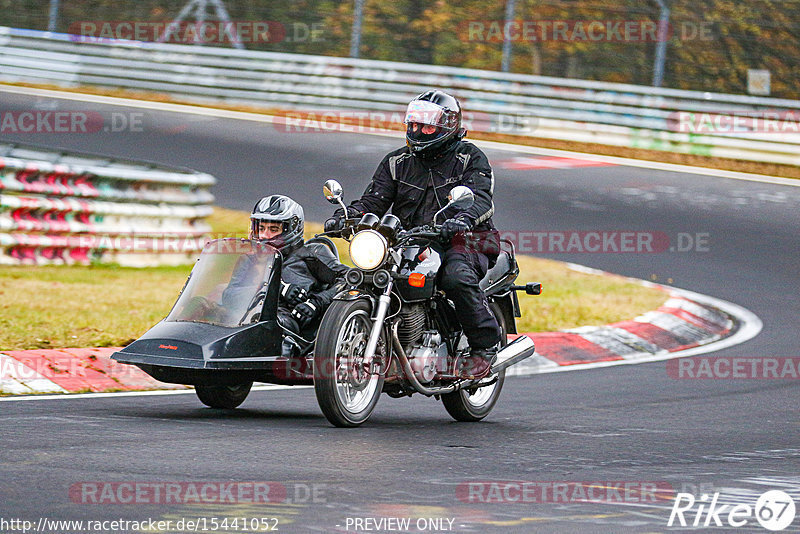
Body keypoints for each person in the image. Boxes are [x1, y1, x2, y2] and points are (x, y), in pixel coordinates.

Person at [324, 90, 501, 379]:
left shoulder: (470, 158)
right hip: (409, 240)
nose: (419, 131)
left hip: (465, 239)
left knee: (456, 277)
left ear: (447, 126)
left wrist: (462, 219)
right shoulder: (397, 161)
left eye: (428, 126)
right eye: (415, 124)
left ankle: (484, 346)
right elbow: (374, 199)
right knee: (362, 277)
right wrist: (346, 217)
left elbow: (481, 199)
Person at [249, 195, 349, 356]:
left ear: (291, 229)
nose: (264, 236)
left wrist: (316, 303)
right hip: (244, 319)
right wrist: (279, 288)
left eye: (273, 229)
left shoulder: (312, 253)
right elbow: (229, 295)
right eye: (261, 228)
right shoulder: (249, 258)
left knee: (264, 322)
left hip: (287, 326)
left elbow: (350, 279)